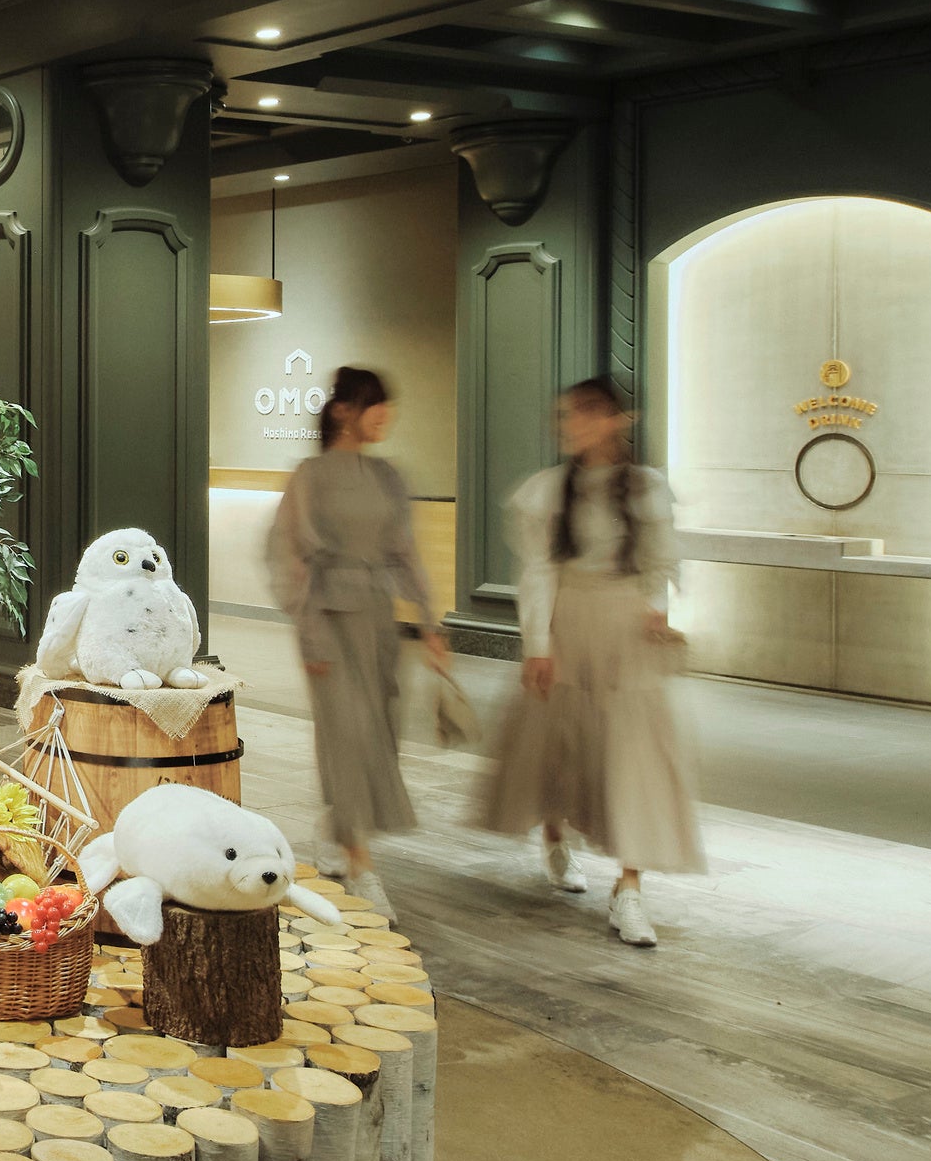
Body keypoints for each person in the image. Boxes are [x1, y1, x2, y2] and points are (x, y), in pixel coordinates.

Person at [478, 374, 699, 948]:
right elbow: (538, 572)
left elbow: (661, 561)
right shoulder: (548, 490)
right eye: (565, 415)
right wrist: (539, 645)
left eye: (583, 413)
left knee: (635, 754)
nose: (570, 425)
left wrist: (655, 609)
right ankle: (555, 835)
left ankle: (630, 888)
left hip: (626, 632)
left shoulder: (646, 487)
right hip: (569, 624)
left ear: (617, 420)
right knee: (561, 741)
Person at [263, 363, 447, 917]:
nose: (385, 414)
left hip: (378, 620)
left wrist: (430, 621)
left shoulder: (389, 476)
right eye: (375, 403)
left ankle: (338, 827)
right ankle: (360, 861)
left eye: (387, 404)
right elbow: (288, 555)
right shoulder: (310, 476)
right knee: (346, 732)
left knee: (379, 733)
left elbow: (405, 551)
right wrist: (308, 631)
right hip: (329, 620)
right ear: (345, 411)